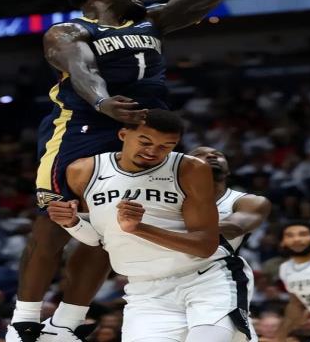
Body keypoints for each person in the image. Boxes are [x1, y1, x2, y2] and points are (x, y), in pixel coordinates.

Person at [6, 0, 246, 342]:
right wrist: (103, 103)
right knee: (55, 221)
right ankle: (23, 319)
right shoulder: (68, 31)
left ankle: (65, 324)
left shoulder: (153, 20)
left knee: (110, 231)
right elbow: (82, 70)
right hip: (84, 126)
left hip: (140, 131)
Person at [48, 109, 255, 342]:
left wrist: (139, 229)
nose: (153, 152)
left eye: (166, 146)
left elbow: (205, 245)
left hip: (206, 279)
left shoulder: (190, 169)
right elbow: (99, 239)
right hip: (144, 289)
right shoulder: (83, 171)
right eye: (145, 142)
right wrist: (72, 223)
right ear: (123, 134)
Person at [189, 146, 272, 342]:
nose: (211, 156)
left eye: (218, 155)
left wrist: (165, 228)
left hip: (219, 276)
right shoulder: (170, 200)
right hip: (171, 278)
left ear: (228, 171)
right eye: (199, 155)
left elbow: (235, 227)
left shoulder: (247, 201)